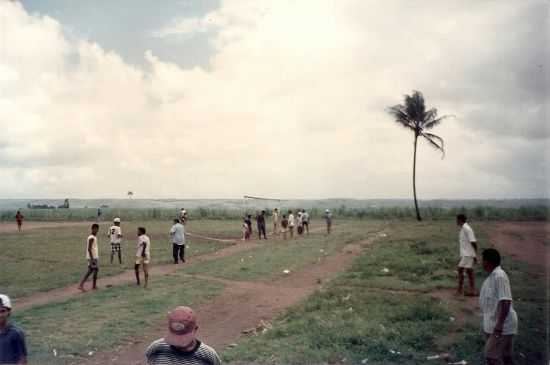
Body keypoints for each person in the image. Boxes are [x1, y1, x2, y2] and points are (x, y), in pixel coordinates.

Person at [479, 248, 518, 365]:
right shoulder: (491, 277)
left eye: (483, 260)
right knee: (506, 357)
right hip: (494, 325)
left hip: (502, 326)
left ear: (487, 262)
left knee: (491, 356)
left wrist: (499, 325)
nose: (481, 263)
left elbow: (505, 301)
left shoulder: (499, 276)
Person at [145, 306, 221, 365]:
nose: (178, 344)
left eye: (183, 338)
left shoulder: (207, 354)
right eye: (174, 337)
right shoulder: (157, 347)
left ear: (195, 329)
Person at [0, 294, 27, 365]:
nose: (0, 315)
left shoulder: (16, 333)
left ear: (9, 312)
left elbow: (22, 360)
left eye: (2, 311)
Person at [456, 214, 478, 296]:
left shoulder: (467, 228)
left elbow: (473, 242)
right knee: (469, 271)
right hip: (466, 254)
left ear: (460, 220)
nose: (456, 221)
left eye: (457, 220)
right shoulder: (463, 228)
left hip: (468, 254)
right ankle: (470, 290)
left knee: (460, 269)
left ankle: (461, 290)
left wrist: (475, 254)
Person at [78, 224, 100, 292]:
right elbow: (89, 249)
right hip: (92, 257)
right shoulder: (91, 238)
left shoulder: (93, 237)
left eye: (97, 229)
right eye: (95, 229)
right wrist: (92, 259)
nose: (96, 231)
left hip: (94, 257)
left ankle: (93, 286)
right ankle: (81, 285)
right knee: (91, 271)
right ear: (92, 229)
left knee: (94, 270)